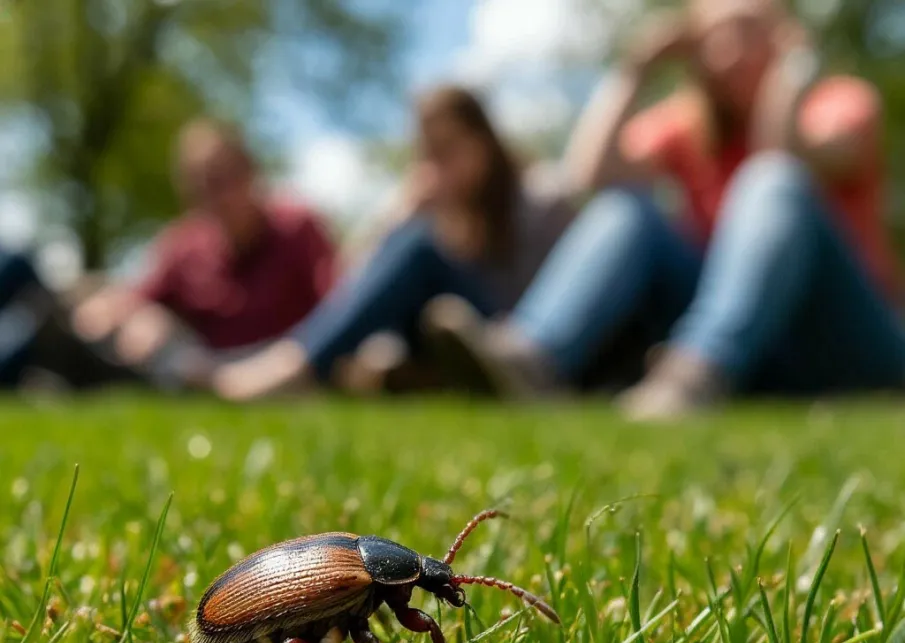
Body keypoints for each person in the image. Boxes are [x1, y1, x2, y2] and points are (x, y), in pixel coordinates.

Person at [423, 0, 905, 416]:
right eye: (714, 38)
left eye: (746, 31)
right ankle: (530, 357)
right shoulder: (689, 128)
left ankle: (694, 373)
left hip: (852, 339)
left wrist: (791, 74)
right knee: (627, 210)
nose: (728, 52)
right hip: (760, 352)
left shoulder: (837, 102)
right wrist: (637, 68)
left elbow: (781, 158)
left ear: (782, 36)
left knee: (771, 181)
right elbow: (588, 177)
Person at [209, 85, 576, 400]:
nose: (437, 167)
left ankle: (294, 367)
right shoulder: (437, 216)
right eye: (428, 154)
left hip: (514, 344)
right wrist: (399, 214)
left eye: (448, 150)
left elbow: (547, 313)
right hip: (449, 338)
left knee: (419, 250)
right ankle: (374, 371)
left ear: (484, 141)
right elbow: (348, 280)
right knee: (411, 253)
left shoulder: (539, 197)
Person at [71, 118, 337, 387]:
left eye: (224, 181)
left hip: (288, 361)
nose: (216, 198)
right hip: (211, 368)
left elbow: (338, 303)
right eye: (200, 188)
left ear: (251, 173)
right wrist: (138, 315)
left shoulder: (298, 226)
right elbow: (136, 299)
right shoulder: (184, 242)